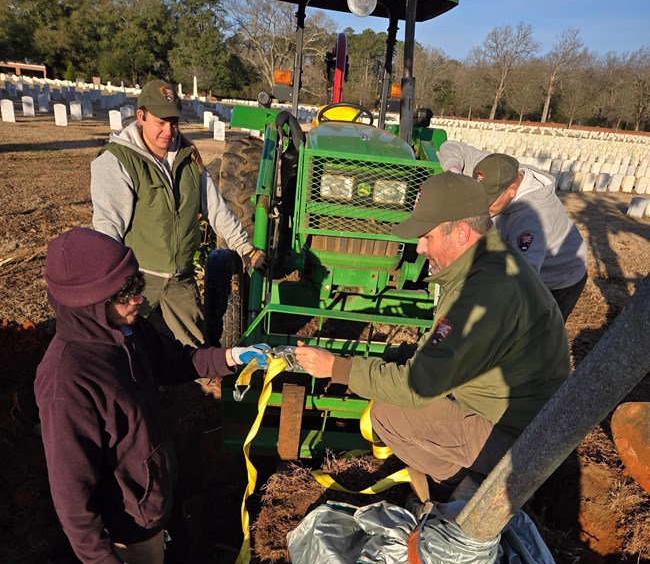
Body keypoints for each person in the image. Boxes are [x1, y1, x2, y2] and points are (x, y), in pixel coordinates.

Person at [34, 227, 268, 564]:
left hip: (152, 500)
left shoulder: (129, 331)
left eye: (135, 285)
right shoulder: (67, 379)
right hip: (127, 529)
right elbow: (70, 491)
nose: (138, 299)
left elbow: (177, 361)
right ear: (87, 303)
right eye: (124, 296)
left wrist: (228, 359)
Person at [295, 172, 570, 502]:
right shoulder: (494, 264)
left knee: (390, 415)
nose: (420, 247)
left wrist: (335, 368)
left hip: (520, 442)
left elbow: (416, 387)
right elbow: (447, 356)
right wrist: (393, 357)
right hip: (523, 419)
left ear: (461, 233)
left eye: (427, 236)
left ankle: (464, 494)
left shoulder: (481, 296)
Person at [90, 79, 265, 347]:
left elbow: (216, 209)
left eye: (173, 122)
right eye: (160, 122)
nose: (169, 131)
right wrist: (114, 285)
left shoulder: (188, 158)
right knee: (120, 344)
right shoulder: (117, 161)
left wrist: (245, 248)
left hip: (180, 278)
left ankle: (204, 385)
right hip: (139, 278)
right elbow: (108, 228)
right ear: (141, 116)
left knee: (196, 347)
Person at [437, 141, 587, 320]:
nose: (482, 208)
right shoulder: (493, 171)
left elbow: (521, 278)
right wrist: (455, 173)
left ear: (512, 190)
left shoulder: (532, 220)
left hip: (558, 277)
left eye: (489, 202)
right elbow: (452, 146)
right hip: (519, 255)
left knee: (535, 331)